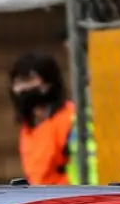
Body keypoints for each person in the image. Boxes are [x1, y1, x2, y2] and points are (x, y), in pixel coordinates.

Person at [10, 51, 97, 185]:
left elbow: (90, 169)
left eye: (28, 80)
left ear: (48, 83)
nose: (20, 88)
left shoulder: (72, 119)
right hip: (41, 199)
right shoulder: (28, 127)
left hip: (72, 199)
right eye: (17, 82)